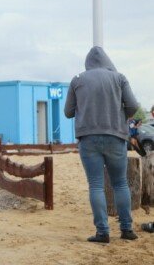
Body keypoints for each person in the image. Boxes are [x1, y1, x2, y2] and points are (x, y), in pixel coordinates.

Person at [64, 46, 139, 243]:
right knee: (120, 183)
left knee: (96, 185)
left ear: (88, 63)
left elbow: (68, 112)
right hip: (116, 136)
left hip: (88, 138)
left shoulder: (78, 80)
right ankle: (127, 229)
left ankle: (102, 232)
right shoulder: (119, 78)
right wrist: (118, 115)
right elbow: (133, 106)